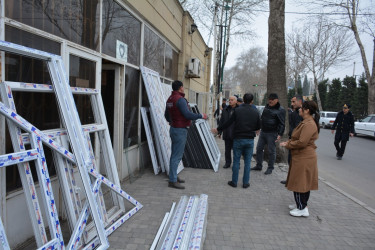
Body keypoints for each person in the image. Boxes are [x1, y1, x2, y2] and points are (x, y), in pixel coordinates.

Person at [280, 101, 320, 217]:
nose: (299, 110)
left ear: (307, 110)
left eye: (302, 108)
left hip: (304, 157)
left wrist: (288, 144)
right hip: (301, 156)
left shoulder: (309, 124)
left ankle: (302, 208)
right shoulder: (306, 122)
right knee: (301, 182)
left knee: (300, 182)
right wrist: (290, 142)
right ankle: (300, 204)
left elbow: (302, 142)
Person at [165, 80, 207, 189]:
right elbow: (187, 114)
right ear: (180, 88)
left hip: (174, 128)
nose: (183, 88)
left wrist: (171, 121)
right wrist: (200, 115)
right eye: (183, 87)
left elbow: (166, 114)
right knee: (177, 155)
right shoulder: (180, 100)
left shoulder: (170, 99)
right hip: (180, 130)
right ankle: (172, 181)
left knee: (174, 154)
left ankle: (173, 176)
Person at [212, 93, 261, 188]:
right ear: (252, 101)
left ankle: (234, 182)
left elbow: (228, 122)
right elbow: (258, 126)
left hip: (238, 138)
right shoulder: (256, 112)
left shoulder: (238, 110)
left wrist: (218, 129)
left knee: (236, 160)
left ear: (243, 99)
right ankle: (245, 183)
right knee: (247, 162)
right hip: (249, 140)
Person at [251, 93, 285, 175]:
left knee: (271, 151)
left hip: (272, 133)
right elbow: (262, 118)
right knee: (259, 148)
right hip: (263, 132)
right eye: (269, 99)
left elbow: (282, 123)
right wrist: (259, 127)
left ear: (277, 100)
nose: (270, 100)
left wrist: (280, 134)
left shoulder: (280, 110)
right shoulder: (266, 107)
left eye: (272, 99)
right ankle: (259, 165)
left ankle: (270, 168)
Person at [281, 94, 303, 184]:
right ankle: (290, 179)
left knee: (295, 162)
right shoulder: (294, 113)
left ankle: (296, 180)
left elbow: (298, 129)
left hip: (297, 142)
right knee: (291, 161)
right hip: (292, 140)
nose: (292, 103)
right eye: (291, 101)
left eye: (294, 101)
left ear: (300, 102)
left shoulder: (302, 114)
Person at [219, 96, 238, 169]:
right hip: (227, 133)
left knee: (236, 150)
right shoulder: (225, 110)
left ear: (236, 101)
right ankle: (227, 163)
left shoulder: (239, 110)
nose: (230, 101)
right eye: (229, 100)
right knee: (227, 150)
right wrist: (220, 132)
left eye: (232, 100)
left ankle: (236, 164)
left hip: (236, 134)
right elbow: (221, 122)